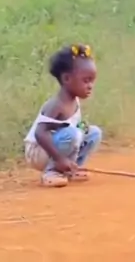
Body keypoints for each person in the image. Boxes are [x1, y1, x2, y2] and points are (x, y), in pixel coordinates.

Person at [24, 44, 102, 188]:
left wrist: (82, 127)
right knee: (72, 134)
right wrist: (59, 159)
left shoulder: (74, 101)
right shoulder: (57, 105)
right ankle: (51, 172)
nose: (90, 86)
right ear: (66, 79)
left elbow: (73, 125)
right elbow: (40, 133)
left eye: (92, 81)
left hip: (58, 146)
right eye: (86, 81)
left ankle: (71, 169)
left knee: (94, 133)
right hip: (39, 151)